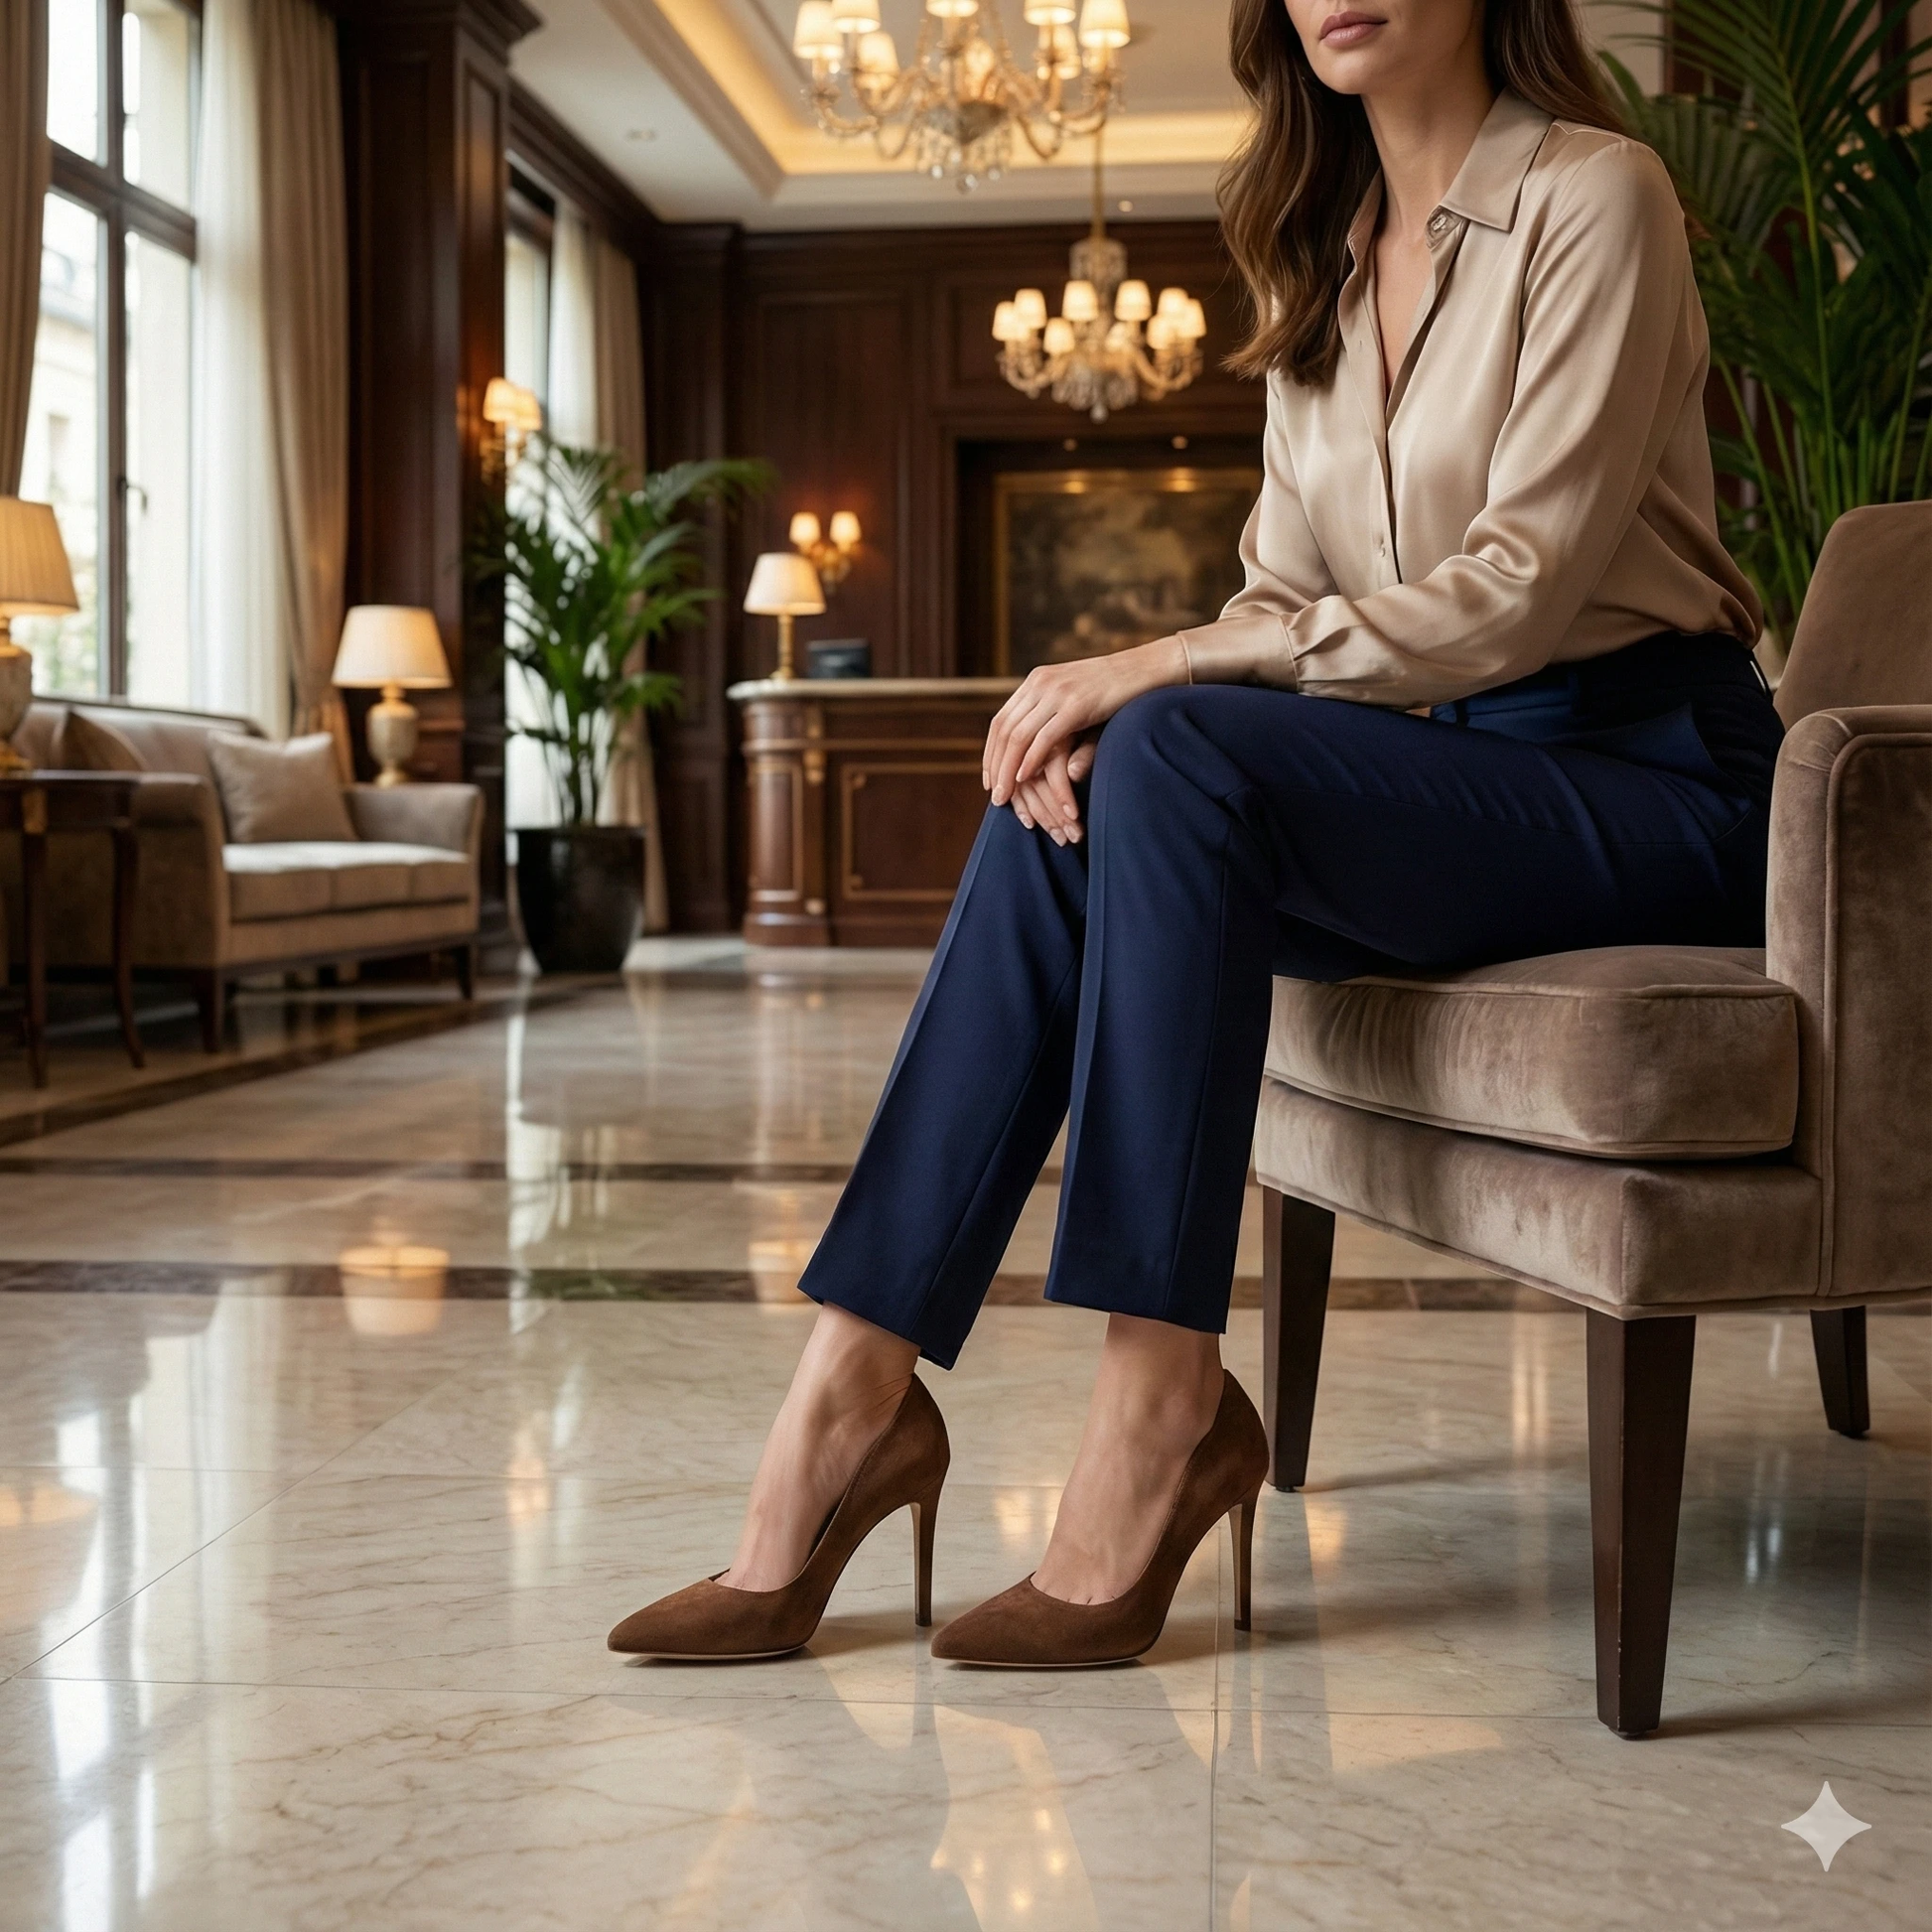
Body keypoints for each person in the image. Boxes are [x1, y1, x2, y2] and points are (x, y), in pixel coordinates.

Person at [609, 0, 1776, 1668]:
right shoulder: (1321, 260)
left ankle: (1155, 1411)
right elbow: (1288, 599)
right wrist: (1132, 687)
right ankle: (849, 1391)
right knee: (1084, 782)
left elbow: (1514, 596)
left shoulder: (1595, 197)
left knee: (1161, 721)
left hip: (1655, 777)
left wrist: (1158, 656)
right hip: (1442, 780)